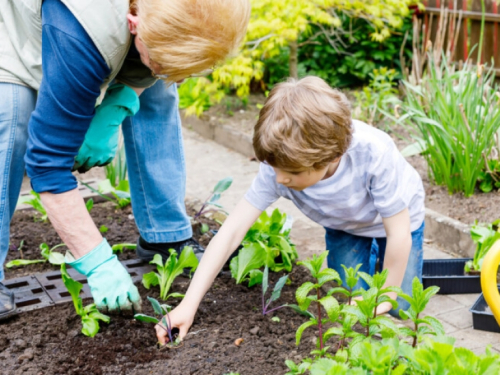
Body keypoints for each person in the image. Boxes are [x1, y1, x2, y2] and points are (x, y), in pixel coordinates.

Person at [0, 0, 250, 320]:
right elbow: (47, 164)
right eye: (159, 62)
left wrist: (121, 102)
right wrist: (98, 262)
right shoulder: (82, 30)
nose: (165, 73)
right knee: (11, 111)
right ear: (134, 20)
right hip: (18, 18)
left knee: (160, 90)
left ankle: (165, 237)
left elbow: (153, 62)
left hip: (111, 26)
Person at [157, 76, 426, 344]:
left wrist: (387, 297)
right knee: (350, 300)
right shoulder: (280, 165)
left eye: (292, 173)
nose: (279, 180)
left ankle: (380, 259)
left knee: (401, 304)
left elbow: (398, 233)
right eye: (275, 169)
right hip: (342, 225)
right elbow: (230, 233)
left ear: (333, 157)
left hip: (398, 223)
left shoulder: (374, 154)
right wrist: (188, 304)